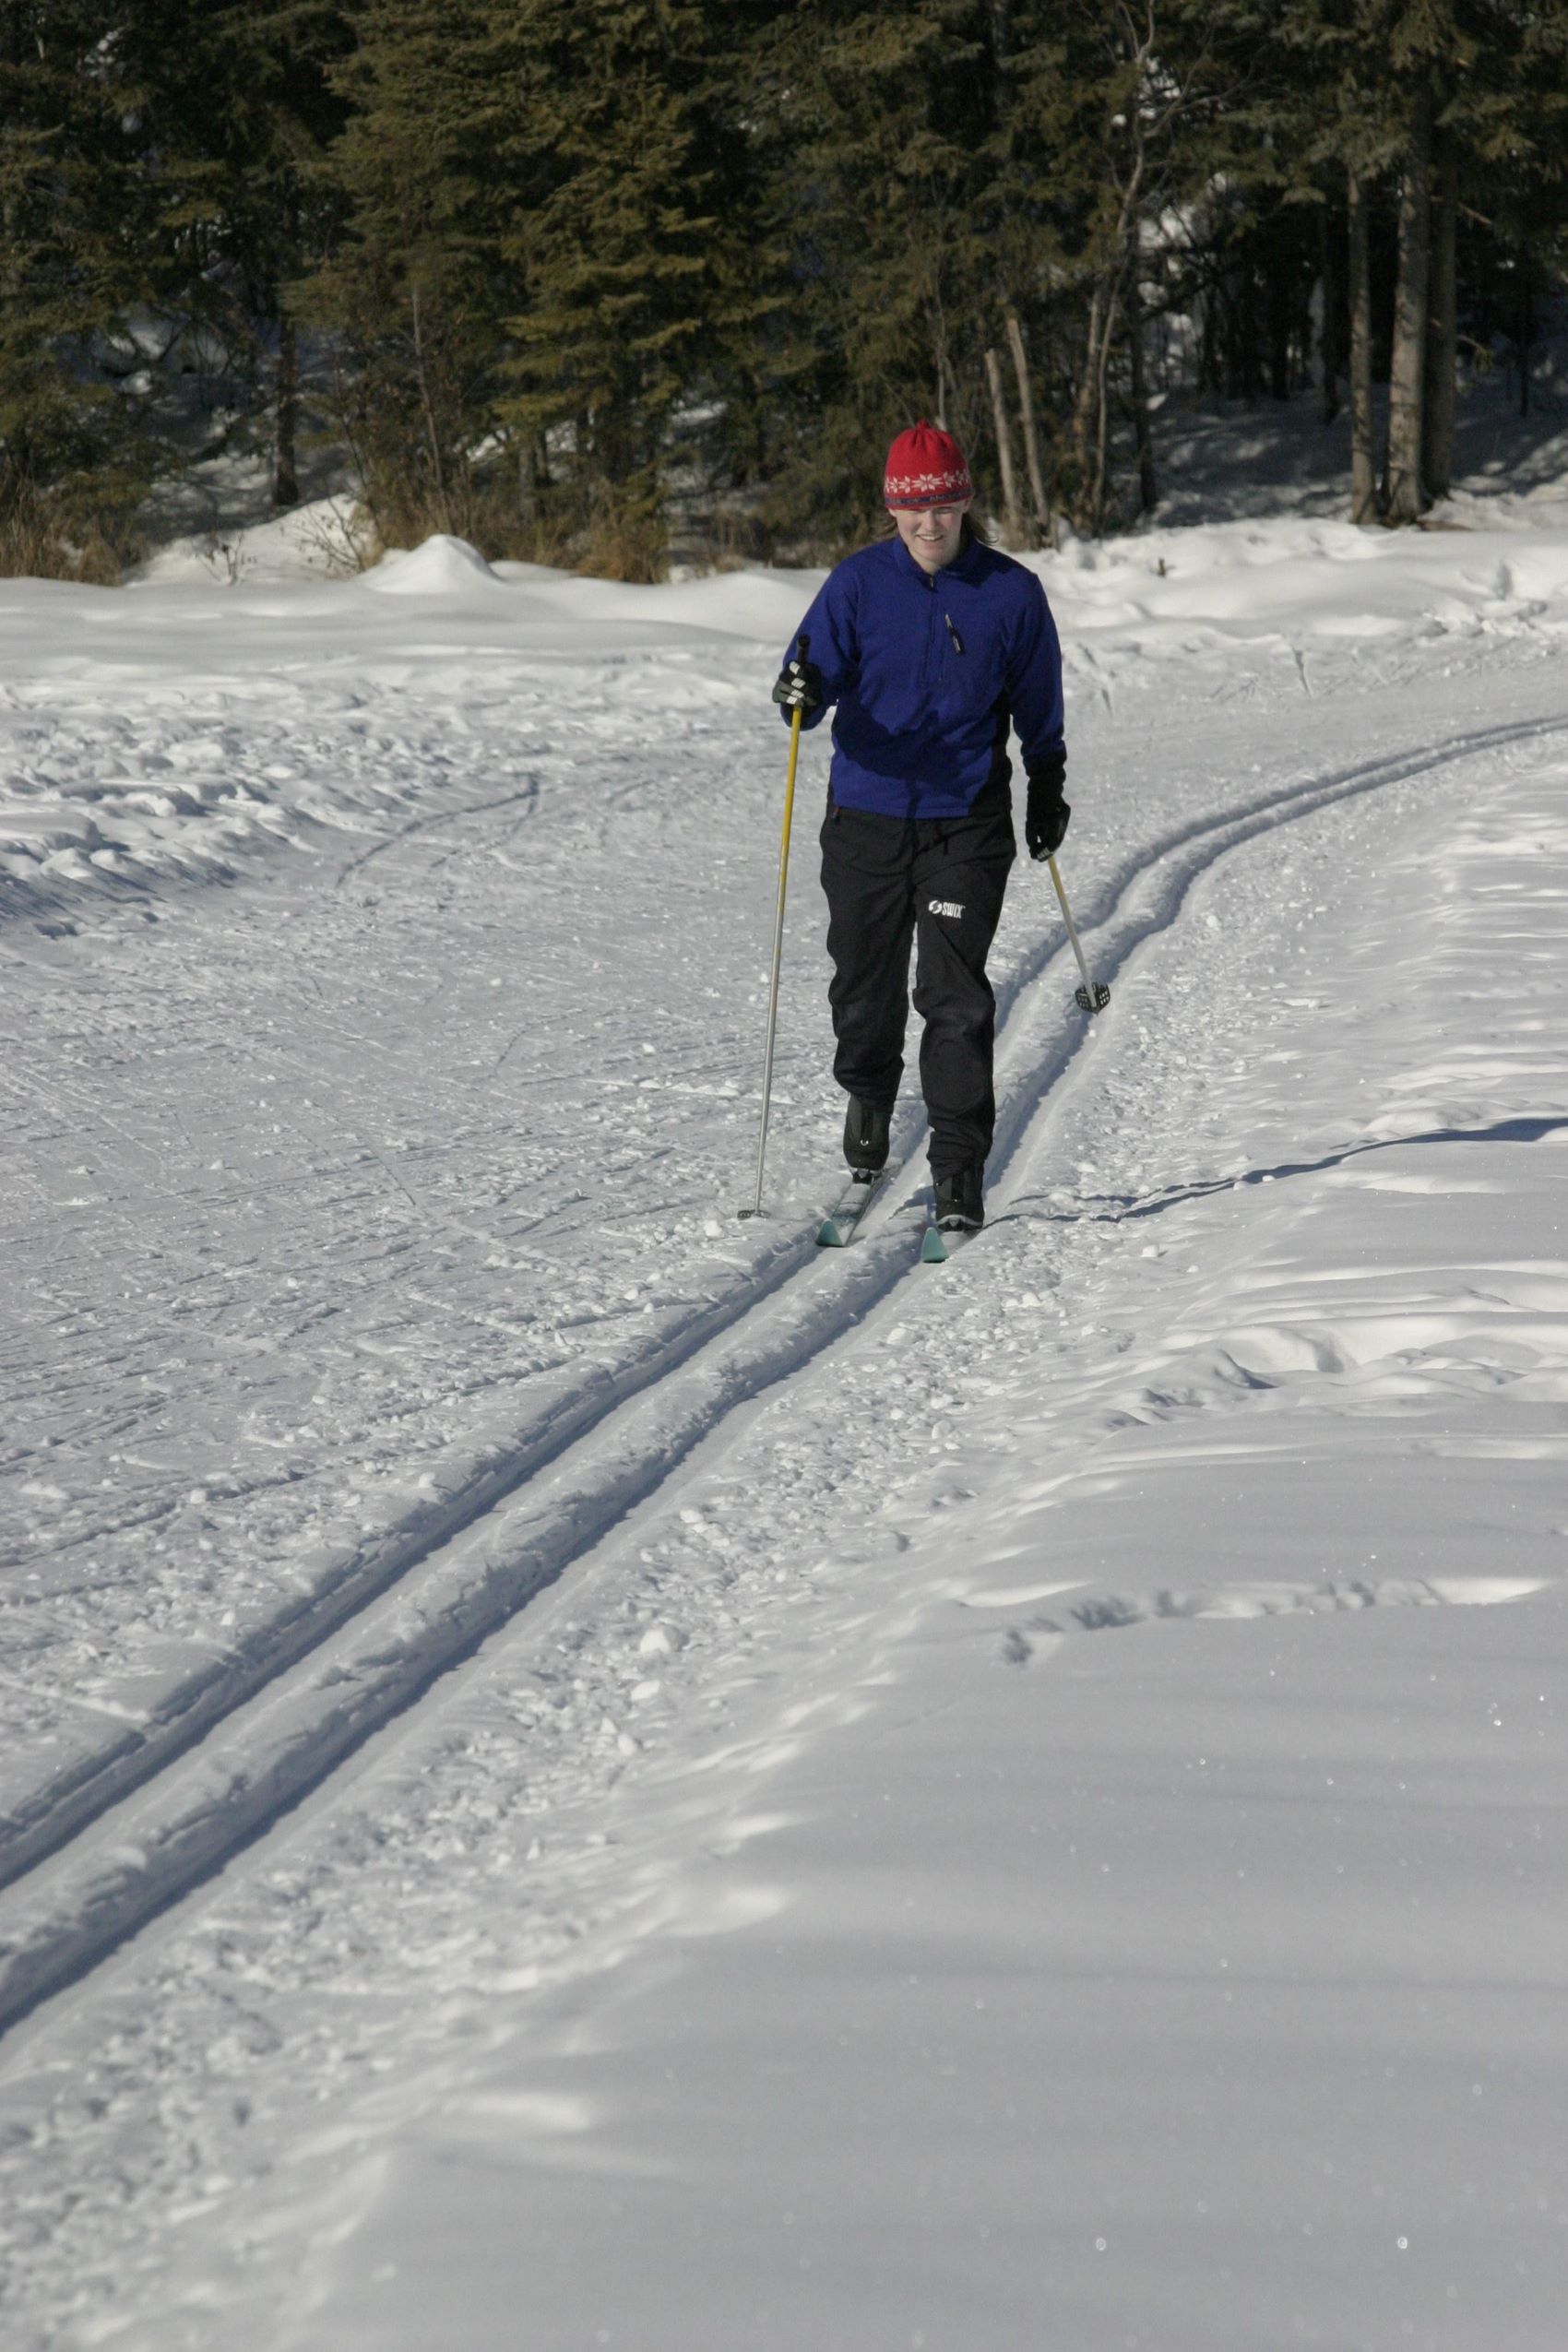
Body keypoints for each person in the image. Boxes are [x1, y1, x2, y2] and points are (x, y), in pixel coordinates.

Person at [772, 418, 1069, 1232]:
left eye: (942, 506)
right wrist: (797, 694)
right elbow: (809, 676)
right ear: (891, 510)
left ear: (966, 501)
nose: (929, 523)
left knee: (954, 999)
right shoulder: (858, 584)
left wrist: (1047, 783)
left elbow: (1039, 701)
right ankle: (868, 1100)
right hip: (866, 818)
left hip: (964, 827)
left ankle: (958, 1168)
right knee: (862, 991)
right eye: (912, 509)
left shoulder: (1010, 593)